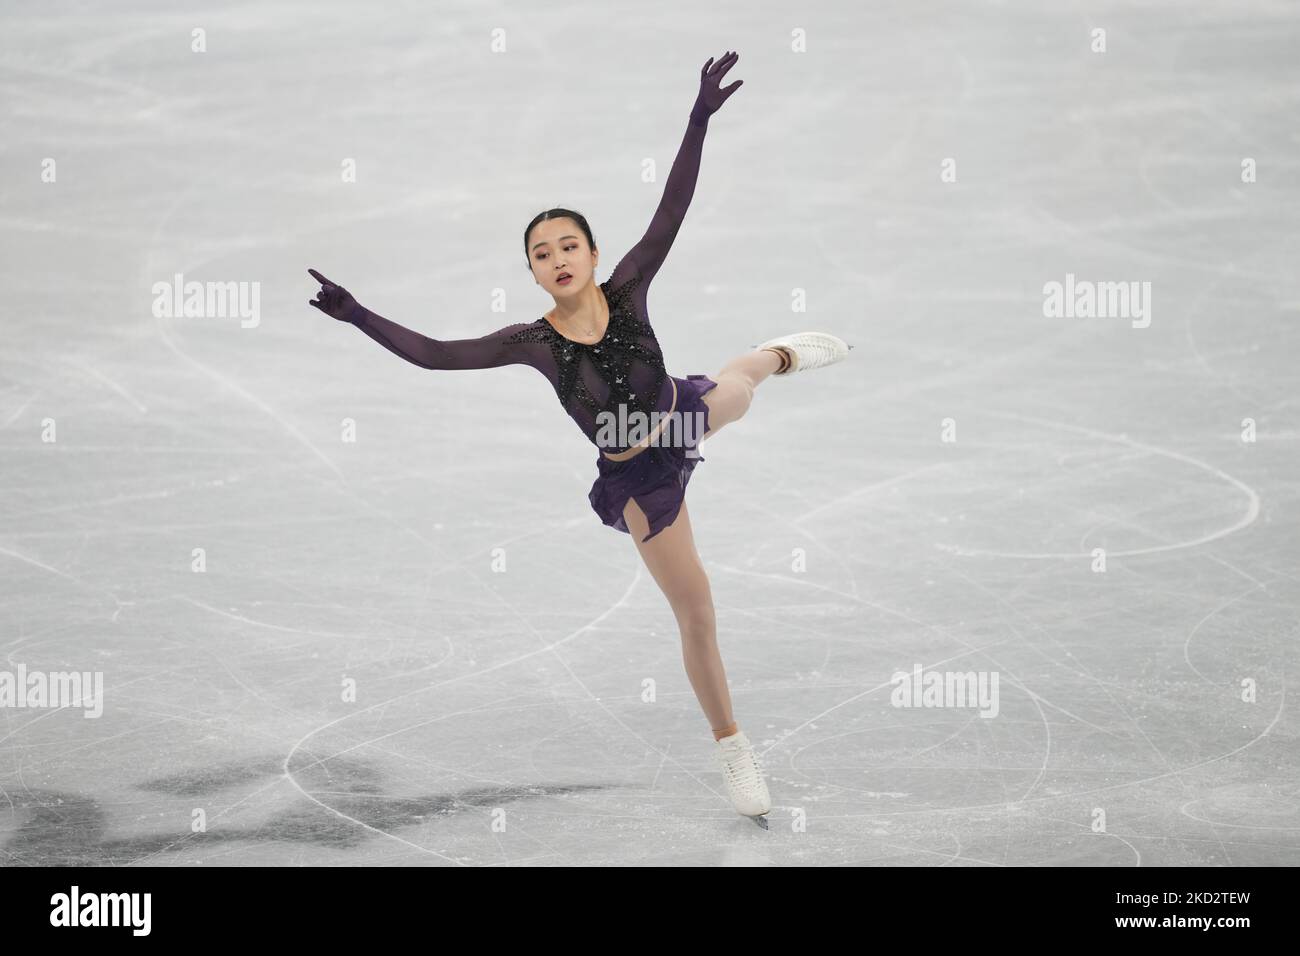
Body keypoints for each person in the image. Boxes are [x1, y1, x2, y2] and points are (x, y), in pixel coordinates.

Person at [307, 51, 850, 821]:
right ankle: (732, 746)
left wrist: (696, 120)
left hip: (679, 414)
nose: (557, 259)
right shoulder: (531, 341)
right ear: (531, 274)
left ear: (593, 256)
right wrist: (358, 313)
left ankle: (777, 354)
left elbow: (673, 208)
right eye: (541, 253)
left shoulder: (630, 288)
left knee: (740, 392)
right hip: (640, 478)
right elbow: (435, 355)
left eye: (568, 245)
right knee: (697, 613)